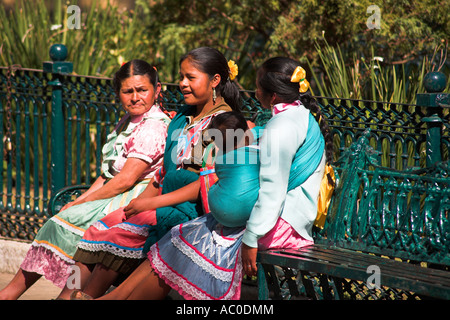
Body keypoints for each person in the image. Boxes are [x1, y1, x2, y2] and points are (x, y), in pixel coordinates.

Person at [78, 56, 334, 300]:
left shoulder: (283, 126)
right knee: (177, 237)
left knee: (187, 245)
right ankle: (114, 296)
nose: (254, 93)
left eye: (257, 88)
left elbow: (273, 190)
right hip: (271, 216)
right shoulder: (290, 116)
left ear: (273, 94)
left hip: (282, 224)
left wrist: (251, 239)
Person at [64, 47, 241, 300]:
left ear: (215, 81)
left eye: (190, 78)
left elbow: (204, 182)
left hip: (193, 211)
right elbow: (165, 174)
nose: (182, 83)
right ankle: (72, 295)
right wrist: (138, 204)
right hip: (163, 202)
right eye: (181, 76)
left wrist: (149, 204)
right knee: (104, 225)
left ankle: (89, 296)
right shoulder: (182, 118)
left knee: (119, 232)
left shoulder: (222, 123)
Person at [0, 59, 171, 300]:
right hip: (116, 191)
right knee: (65, 221)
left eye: (142, 90)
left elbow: (125, 179)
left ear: (157, 89)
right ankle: (42, 293)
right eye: (127, 91)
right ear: (118, 93)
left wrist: (80, 204)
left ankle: (29, 293)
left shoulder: (152, 127)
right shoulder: (129, 122)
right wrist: (81, 199)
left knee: (66, 227)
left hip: (133, 198)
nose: (135, 97)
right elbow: (107, 175)